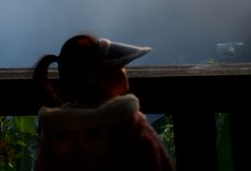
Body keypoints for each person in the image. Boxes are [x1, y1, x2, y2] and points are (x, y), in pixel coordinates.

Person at [32, 34, 174, 171]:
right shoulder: (129, 123)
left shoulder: (54, 132)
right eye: (119, 66)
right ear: (102, 77)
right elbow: (158, 164)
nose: (125, 70)